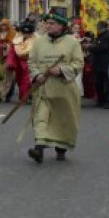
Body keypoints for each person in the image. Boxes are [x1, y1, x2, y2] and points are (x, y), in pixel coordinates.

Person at [27, 11, 84, 163]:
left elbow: (78, 64)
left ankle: (61, 148)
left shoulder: (72, 42)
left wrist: (60, 70)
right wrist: (37, 74)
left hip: (63, 89)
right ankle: (38, 148)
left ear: (62, 26)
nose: (48, 26)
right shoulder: (38, 42)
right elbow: (31, 62)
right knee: (41, 117)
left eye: (52, 24)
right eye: (47, 23)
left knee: (62, 120)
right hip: (43, 88)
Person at [5, 20, 36, 102]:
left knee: (27, 81)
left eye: (28, 33)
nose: (26, 34)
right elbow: (12, 52)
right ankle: (26, 96)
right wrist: (10, 62)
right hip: (19, 63)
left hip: (31, 63)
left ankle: (24, 97)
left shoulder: (36, 40)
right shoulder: (17, 40)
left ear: (31, 33)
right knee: (20, 81)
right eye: (24, 33)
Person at [89, 20, 109, 109]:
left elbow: (102, 48)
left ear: (101, 28)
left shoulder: (108, 36)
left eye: (98, 27)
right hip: (98, 63)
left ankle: (108, 101)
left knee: (107, 83)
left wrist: (89, 47)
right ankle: (100, 99)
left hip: (107, 63)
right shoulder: (100, 36)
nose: (97, 29)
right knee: (98, 82)